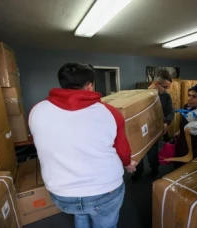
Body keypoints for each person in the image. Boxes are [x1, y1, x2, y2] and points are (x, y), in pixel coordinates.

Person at [29, 63, 137, 228]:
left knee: (80, 214)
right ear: (90, 85)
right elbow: (123, 150)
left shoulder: (37, 110)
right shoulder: (109, 112)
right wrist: (128, 163)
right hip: (103, 189)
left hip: (62, 192)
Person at [131, 71, 174, 181]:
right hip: (139, 133)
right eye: (165, 87)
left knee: (153, 154)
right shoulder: (139, 96)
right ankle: (138, 173)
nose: (166, 90)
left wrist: (166, 123)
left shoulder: (166, 97)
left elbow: (170, 112)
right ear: (156, 83)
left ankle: (155, 170)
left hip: (154, 132)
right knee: (138, 157)